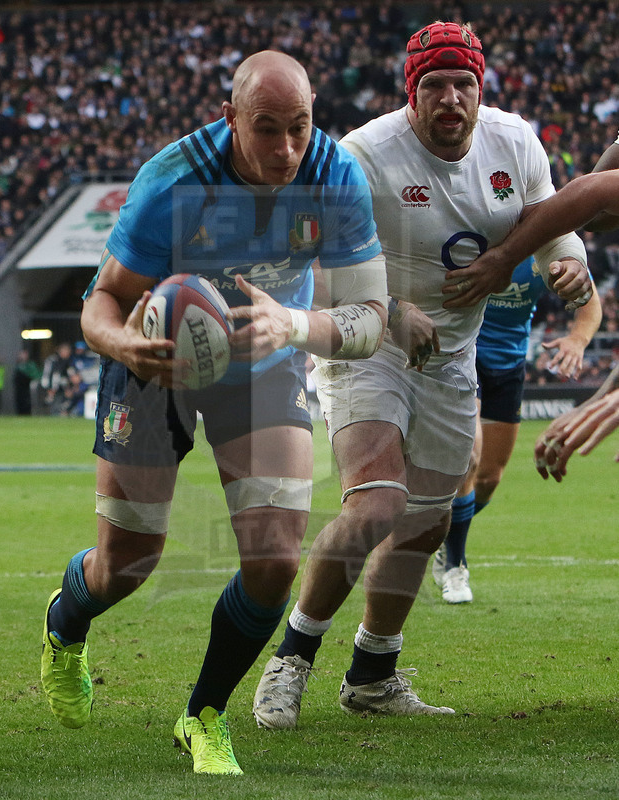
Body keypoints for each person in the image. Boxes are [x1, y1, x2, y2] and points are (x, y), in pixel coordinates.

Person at [40, 50, 388, 777]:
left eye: (300, 126)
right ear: (230, 117)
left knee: (274, 562)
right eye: (267, 129)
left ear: (315, 111)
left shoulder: (335, 176)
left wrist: (293, 326)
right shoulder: (172, 180)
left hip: (262, 361)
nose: (287, 148)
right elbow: (101, 301)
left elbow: (370, 319)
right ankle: (65, 623)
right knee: (126, 567)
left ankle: (203, 715)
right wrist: (129, 347)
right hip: (153, 364)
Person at [252, 21, 592, 730]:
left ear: (480, 88)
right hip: (368, 338)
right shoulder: (364, 156)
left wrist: (567, 259)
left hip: (452, 355)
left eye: (462, 83)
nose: (449, 98)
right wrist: (394, 307)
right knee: (375, 504)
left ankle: (373, 672)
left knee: (425, 523)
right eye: (433, 84)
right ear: (412, 93)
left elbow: (550, 214)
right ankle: (291, 657)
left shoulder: (513, 140)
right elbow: (314, 265)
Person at [433, 256, 602, 603]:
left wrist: (578, 340)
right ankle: (455, 565)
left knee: (490, 479)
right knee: (471, 455)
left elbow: (590, 305)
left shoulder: (550, 247)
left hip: (509, 362)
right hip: (466, 351)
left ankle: (443, 537)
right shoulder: (480, 230)